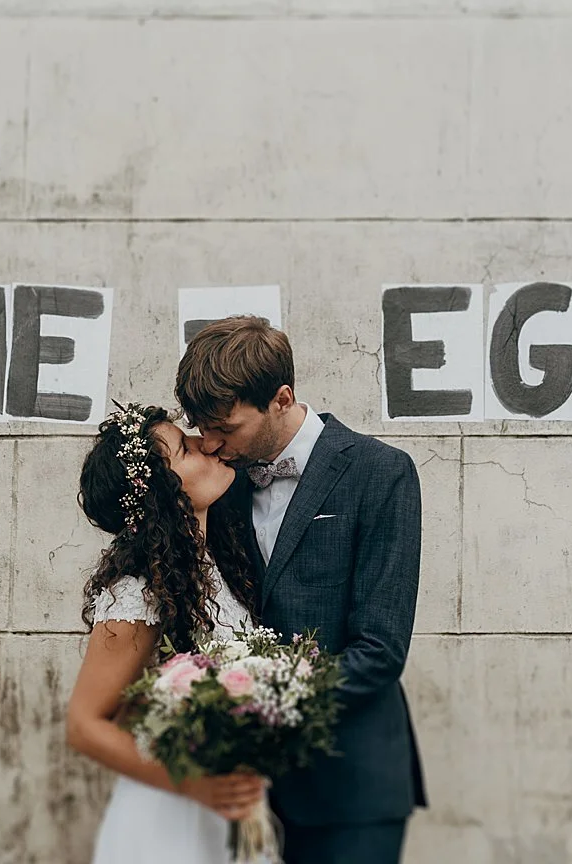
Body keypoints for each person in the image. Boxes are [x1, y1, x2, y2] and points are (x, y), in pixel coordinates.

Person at [176, 317, 426, 864]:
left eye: (224, 427)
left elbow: (380, 650)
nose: (211, 443)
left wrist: (259, 701)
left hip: (351, 784)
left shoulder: (382, 473)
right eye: (201, 427)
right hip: (243, 794)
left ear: (281, 399)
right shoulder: (220, 481)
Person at [66, 402, 272, 864]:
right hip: (172, 816)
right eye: (185, 449)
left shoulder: (218, 569)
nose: (206, 443)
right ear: (161, 493)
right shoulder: (139, 591)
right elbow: (84, 725)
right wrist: (195, 785)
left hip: (230, 811)